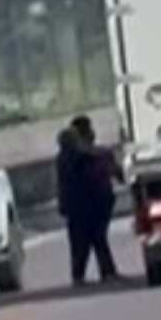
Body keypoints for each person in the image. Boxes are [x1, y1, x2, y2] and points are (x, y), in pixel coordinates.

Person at [55, 115, 122, 287]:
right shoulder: (76, 156)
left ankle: (93, 273)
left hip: (90, 204)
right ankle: (96, 273)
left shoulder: (87, 155)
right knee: (88, 240)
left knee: (90, 240)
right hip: (84, 204)